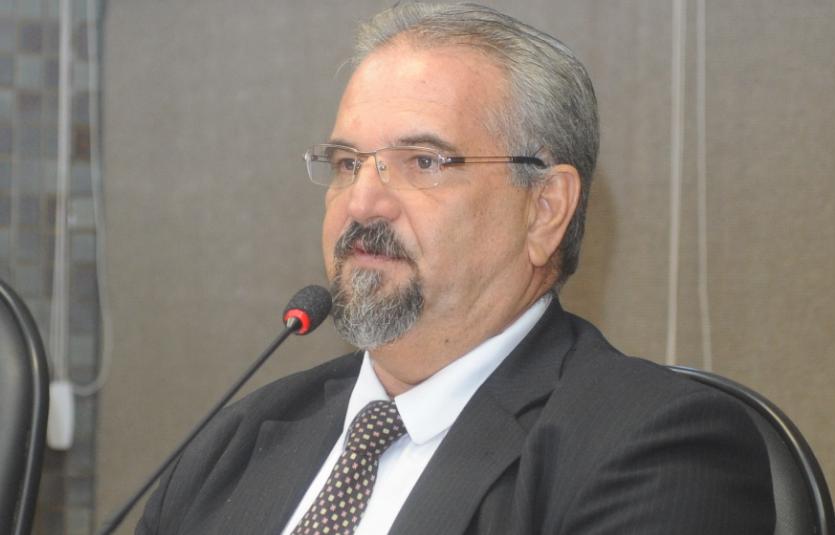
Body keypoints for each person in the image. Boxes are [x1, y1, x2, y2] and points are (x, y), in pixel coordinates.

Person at [137, 3, 774, 534]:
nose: (362, 202)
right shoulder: (236, 442)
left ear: (545, 209)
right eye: (347, 164)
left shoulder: (655, 446)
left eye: (423, 162)